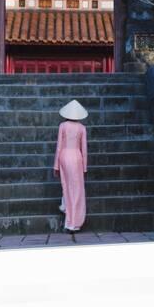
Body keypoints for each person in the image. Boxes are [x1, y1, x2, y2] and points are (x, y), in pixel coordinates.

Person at [53, 99, 88, 233]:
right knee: (77, 190)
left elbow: (58, 146)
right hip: (77, 157)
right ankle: (74, 223)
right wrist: (85, 167)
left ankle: (67, 212)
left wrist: (56, 165)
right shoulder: (82, 128)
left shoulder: (62, 126)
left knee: (66, 186)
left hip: (64, 156)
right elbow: (84, 149)